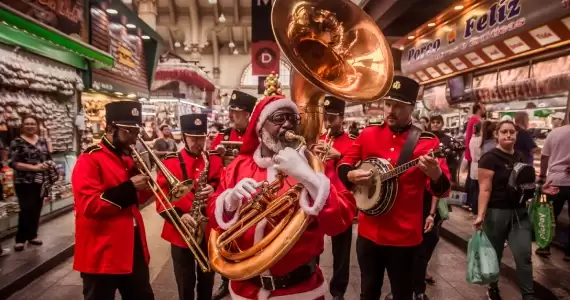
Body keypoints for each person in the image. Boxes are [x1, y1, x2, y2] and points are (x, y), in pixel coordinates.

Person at [208, 95, 356, 300]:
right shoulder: (238, 167)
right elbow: (214, 221)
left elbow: (341, 221)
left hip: (300, 291)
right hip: (245, 291)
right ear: (260, 127)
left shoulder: (312, 165)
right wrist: (229, 201)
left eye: (293, 119)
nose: (288, 124)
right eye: (279, 118)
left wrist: (308, 177)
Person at [337, 76, 451, 300]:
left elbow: (442, 190)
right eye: (388, 104)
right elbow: (345, 162)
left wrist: (436, 174)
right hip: (369, 233)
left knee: (402, 294)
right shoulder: (368, 134)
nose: (390, 110)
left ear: (411, 108)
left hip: (404, 237)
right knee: (368, 292)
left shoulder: (427, 142)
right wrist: (350, 174)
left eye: (398, 106)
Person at [71, 101, 155, 300]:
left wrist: (147, 183)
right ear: (110, 128)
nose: (133, 139)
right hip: (101, 251)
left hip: (132, 245)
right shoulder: (89, 159)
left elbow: (137, 200)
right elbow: (90, 205)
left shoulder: (126, 159)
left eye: (136, 132)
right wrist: (130, 187)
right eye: (128, 132)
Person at [157, 114, 223, 300]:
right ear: (184, 137)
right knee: (185, 282)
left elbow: (225, 185)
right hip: (180, 231)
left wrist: (215, 188)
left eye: (201, 137)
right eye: (193, 138)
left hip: (208, 229)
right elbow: (161, 196)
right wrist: (179, 216)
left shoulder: (214, 159)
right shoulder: (170, 161)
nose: (197, 142)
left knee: (207, 278)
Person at [473, 120, 537, 300]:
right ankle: (492, 287)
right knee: (495, 255)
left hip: (520, 213)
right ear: (497, 135)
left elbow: (525, 184)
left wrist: (539, 189)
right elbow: (485, 188)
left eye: (511, 132)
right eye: (504, 132)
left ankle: (528, 295)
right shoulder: (489, 158)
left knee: (523, 255)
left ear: (516, 135)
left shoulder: (520, 156)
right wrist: (480, 215)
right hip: (496, 213)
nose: (508, 135)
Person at [210, 91, 257, 299]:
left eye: (237, 112)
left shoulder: (256, 136)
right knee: (226, 236)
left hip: (251, 192)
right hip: (228, 192)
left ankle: (251, 275)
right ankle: (225, 280)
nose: (232, 116)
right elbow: (211, 162)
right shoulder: (223, 136)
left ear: (248, 114)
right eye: (231, 111)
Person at [312, 95, 356, 300]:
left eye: (333, 118)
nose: (328, 122)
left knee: (342, 251)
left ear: (342, 118)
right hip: (317, 200)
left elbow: (356, 174)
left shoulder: (353, 143)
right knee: (313, 245)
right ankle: (312, 282)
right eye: (326, 117)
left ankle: (338, 292)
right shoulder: (317, 140)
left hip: (341, 201)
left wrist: (339, 157)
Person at [8, 116, 57, 252]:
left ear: (37, 126)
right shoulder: (17, 142)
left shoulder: (42, 141)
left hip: (41, 181)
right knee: (26, 208)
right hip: (24, 181)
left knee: (36, 208)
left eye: (33, 123)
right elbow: (13, 163)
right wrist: (34, 168)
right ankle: (20, 239)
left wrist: (48, 166)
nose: (30, 126)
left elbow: (48, 158)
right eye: (27, 124)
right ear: (23, 126)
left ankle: (32, 235)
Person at [536, 113, 570, 259]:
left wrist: (542, 176)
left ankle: (545, 247)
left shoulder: (555, 133)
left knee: (549, 215)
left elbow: (544, 156)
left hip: (554, 181)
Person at [469, 122, 482, 216]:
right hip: (479, 165)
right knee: (478, 190)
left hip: (473, 165)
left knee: (474, 189)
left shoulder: (472, 139)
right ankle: (476, 210)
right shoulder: (480, 140)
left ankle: (472, 208)